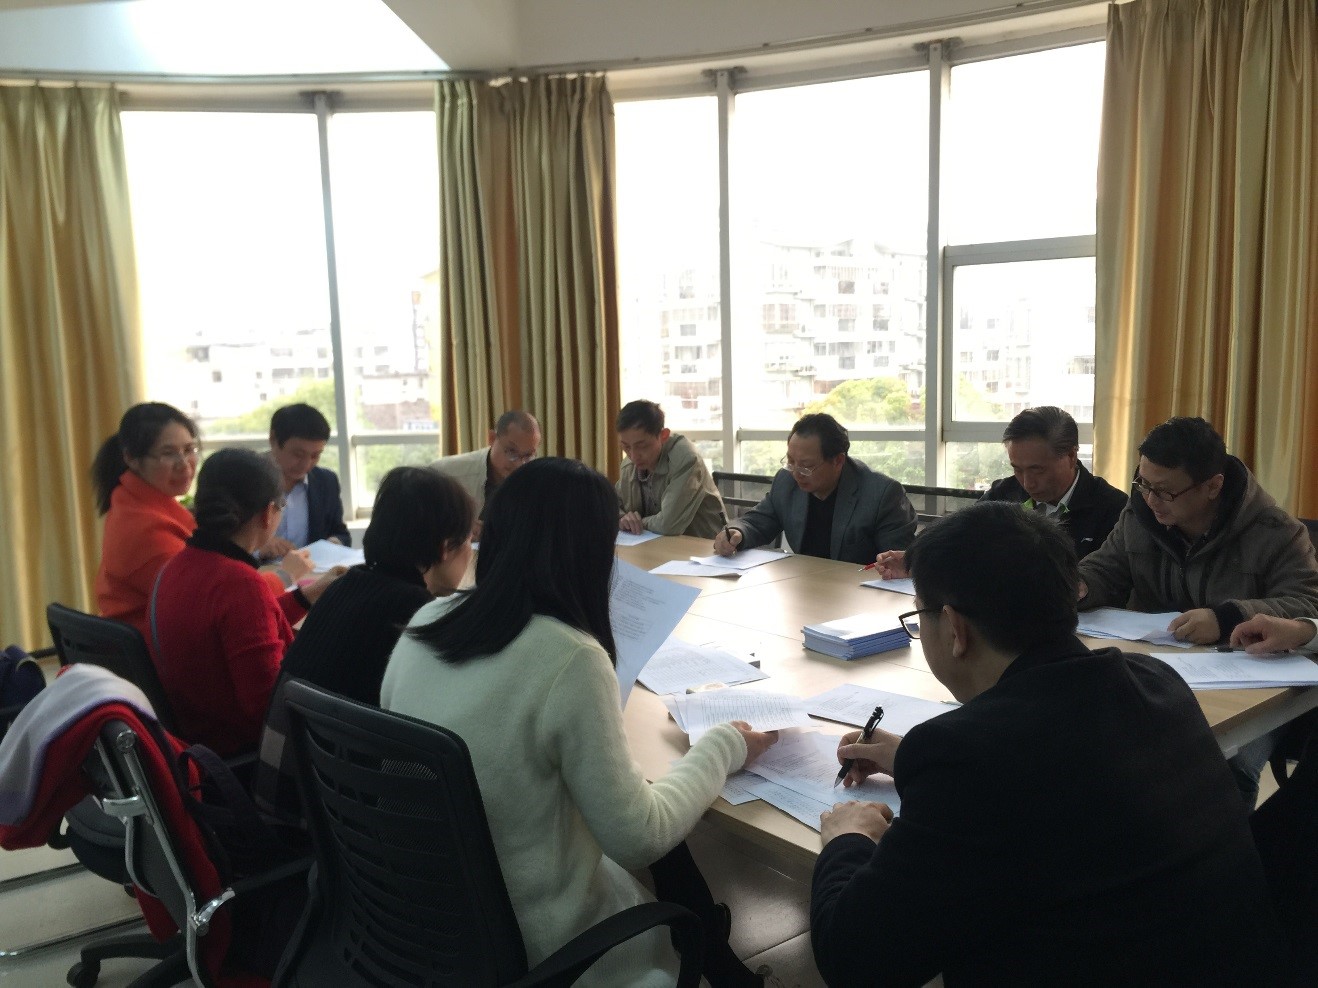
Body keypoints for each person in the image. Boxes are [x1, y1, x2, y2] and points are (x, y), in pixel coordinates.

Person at [810, 502, 1285, 986]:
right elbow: (1063, 776)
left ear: (954, 628)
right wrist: (909, 758)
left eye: (919, 616)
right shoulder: (1153, 681)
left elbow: (854, 961)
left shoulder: (968, 757)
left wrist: (849, 837)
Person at [383, 457, 777, 987]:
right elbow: (639, 836)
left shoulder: (427, 621)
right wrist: (725, 744)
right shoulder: (569, 656)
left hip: (429, 918)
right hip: (545, 948)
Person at [254, 466, 476, 826]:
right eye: (468, 541)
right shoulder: (416, 617)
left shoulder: (343, 587)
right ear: (445, 548)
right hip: (333, 827)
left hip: (283, 801)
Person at [148, 449, 340, 757]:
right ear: (268, 513)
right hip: (242, 754)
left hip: (194, 738)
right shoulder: (240, 583)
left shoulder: (176, 566)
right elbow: (268, 706)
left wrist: (308, 595)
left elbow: (241, 628)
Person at [1078, 417, 1318, 644]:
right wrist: (1079, 585)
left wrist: (1226, 619)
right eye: (1144, 484)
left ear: (1213, 486)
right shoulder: (1138, 517)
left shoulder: (1277, 533)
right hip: (1151, 656)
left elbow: (1307, 605)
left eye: (1164, 491)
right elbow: (1105, 570)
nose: (1150, 500)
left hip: (1238, 663)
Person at [871, 406, 1127, 579]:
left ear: (1071, 455)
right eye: (1017, 469)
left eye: (1037, 470)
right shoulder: (1005, 493)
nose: (1027, 483)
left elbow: (1112, 581)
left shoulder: (1111, 507)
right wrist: (915, 560)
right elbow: (956, 534)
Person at [712, 413, 915, 565]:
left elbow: (899, 563)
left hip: (858, 594)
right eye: (791, 461)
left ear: (838, 461)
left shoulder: (882, 494)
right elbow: (757, 522)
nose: (796, 472)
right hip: (804, 586)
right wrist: (737, 532)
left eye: (806, 466)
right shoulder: (786, 481)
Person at [93, 402, 203, 638]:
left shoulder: (129, 501)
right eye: (168, 453)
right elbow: (210, 600)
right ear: (132, 459)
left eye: (189, 449)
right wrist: (280, 577)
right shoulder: (146, 529)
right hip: (163, 649)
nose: (184, 464)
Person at [616, 399, 726, 538]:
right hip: (656, 544)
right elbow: (609, 505)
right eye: (626, 447)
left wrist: (637, 523)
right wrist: (622, 518)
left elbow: (668, 525)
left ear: (663, 435)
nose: (633, 456)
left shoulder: (686, 460)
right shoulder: (629, 465)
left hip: (706, 545)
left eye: (642, 446)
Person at [260, 403, 350, 559]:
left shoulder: (326, 482)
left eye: (315, 455)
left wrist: (333, 544)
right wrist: (258, 547)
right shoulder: (241, 479)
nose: (306, 464)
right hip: (254, 572)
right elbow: (222, 540)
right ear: (273, 439)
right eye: (298, 454)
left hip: (312, 572)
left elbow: (340, 533)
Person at [429, 409, 541, 532]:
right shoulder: (445, 474)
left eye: (528, 455)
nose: (519, 464)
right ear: (492, 438)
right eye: (511, 451)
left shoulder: (538, 480)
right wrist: (457, 528)